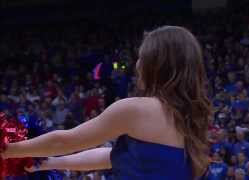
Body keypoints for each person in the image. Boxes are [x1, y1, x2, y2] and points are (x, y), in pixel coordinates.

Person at [1, 26, 213, 179]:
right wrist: (50, 163)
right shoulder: (192, 119)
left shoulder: (136, 110)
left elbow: (65, 141)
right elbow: (112, 157)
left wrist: (8, 149)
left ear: (156, 64)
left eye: (141, 57)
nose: (137, 64)